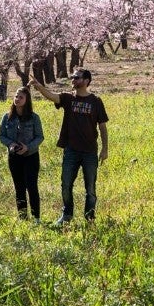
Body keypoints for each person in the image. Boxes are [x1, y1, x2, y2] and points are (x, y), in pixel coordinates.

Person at [31, 67, 108, 225]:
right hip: (71, 150)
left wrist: (105, 149)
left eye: (77, 77)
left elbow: (102, 127)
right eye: (72, 77)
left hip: (90, 152)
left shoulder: (96, 101)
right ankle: (67, 215)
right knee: (66, 184)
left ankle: (89, 218)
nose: (73, 80)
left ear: (86, 81)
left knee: (91, 189)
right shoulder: (68, 98)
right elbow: (52, 97)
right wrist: (38, 86)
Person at [0, 86, 44, 219]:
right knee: (19, 188)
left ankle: (36, 218)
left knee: (32, 187)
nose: (17, 99)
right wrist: (10, 144)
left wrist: (28, 147)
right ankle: (23, 217)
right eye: (16, 96)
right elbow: (1, 135)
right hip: (14, 157)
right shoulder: (7, 117)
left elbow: (40, 137)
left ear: (27, 100)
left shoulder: (34, 118)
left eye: (21, 97)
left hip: (31, 156)